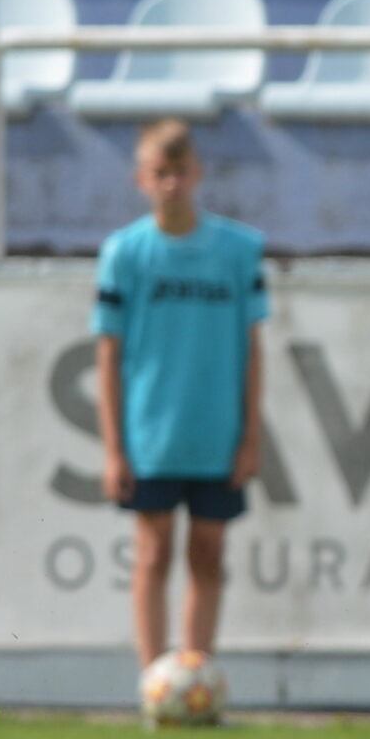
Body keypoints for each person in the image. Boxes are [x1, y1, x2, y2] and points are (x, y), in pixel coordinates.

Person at [92, 120, 267, 692]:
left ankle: (195, 676)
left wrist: (250, 435)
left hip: (215, 431)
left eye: (179, 172)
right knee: (153, 551)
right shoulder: (124, 254)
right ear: (142, 179)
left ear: (197, 174)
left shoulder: (240, 251)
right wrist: (115, 449)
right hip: (152, 434)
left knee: (210, 553)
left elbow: (253, 348)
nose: (170, 184)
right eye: (158, 174)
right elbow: (108, 355)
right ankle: (154, 683)